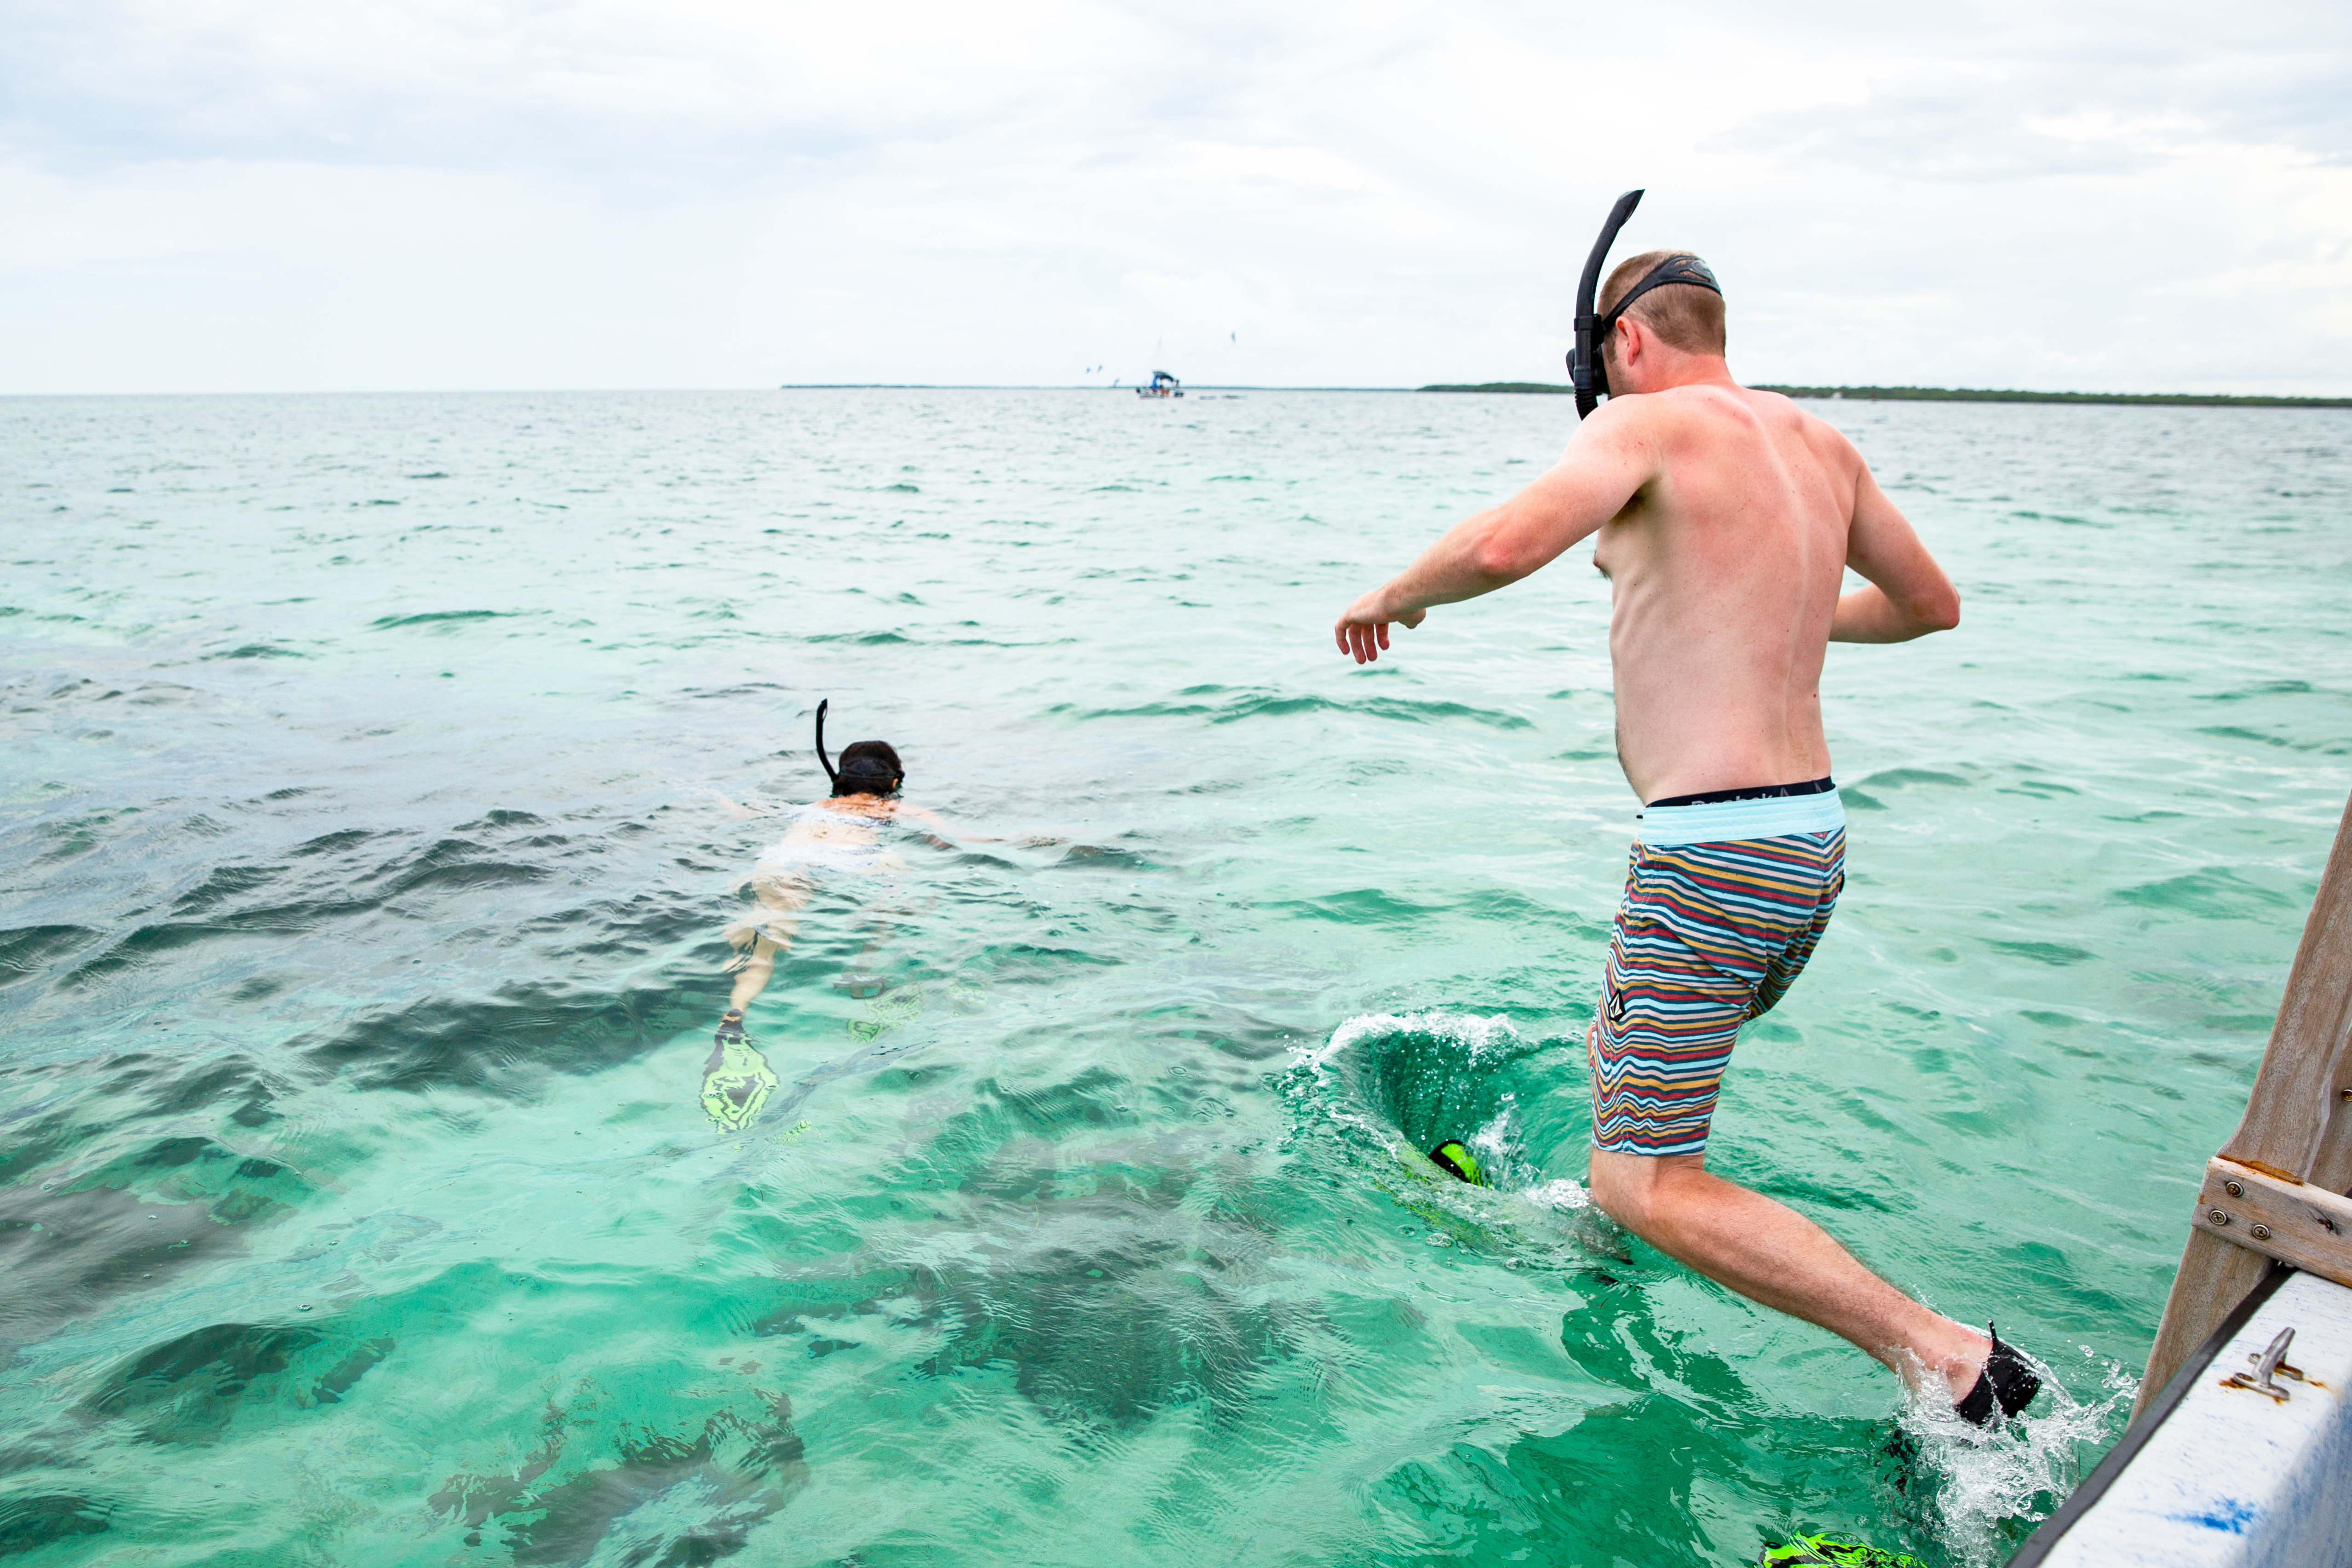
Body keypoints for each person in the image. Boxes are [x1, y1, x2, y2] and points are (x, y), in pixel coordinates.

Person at [1332, 247, 2039, 1426]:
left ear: (1626, 342)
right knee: (1629, 1082)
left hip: (1713, 857)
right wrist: (1787, 611)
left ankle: (1952, 1363)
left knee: (1646, 1174)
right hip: (1809, 848)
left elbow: (1506, 545)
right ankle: (1605, 1250)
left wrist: (1395, 594)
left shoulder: (1642, 427)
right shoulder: (1818, 446)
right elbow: (1929, 605)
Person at [702, 719, 954, 1132]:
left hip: (782, 862)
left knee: (765, 946)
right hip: (851, 862)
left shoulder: (814, 808)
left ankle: (734, 1014)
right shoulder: (896, 807)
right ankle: (863, 968)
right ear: (894, 781)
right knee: (898, 893)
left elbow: (748, 812)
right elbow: (951, 839)